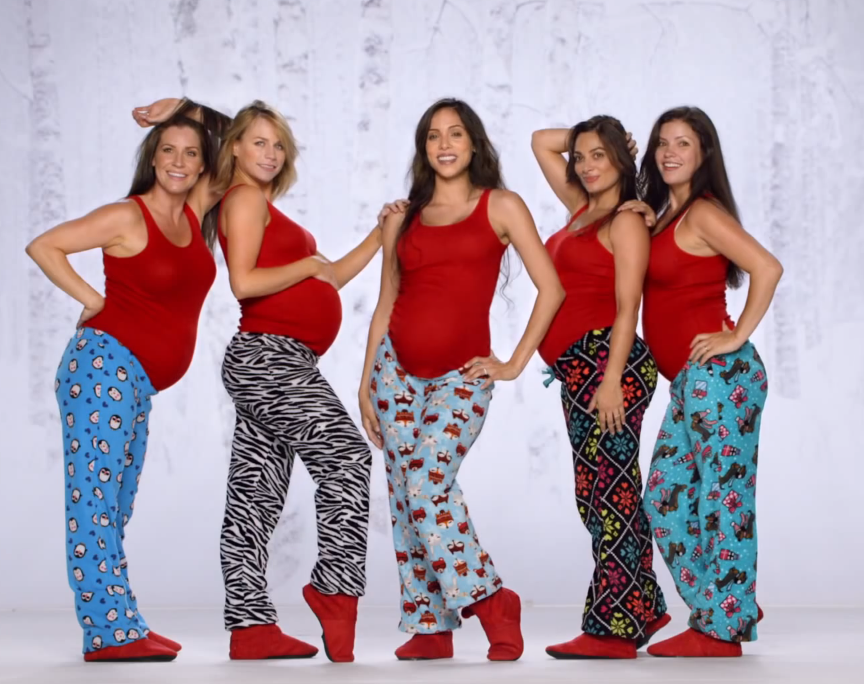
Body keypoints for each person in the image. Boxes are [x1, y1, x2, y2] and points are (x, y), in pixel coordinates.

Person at [358, 98, 565, 661]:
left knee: (426, 484)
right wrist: (365, 383)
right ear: (423, 148)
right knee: (405, 496)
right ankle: (430, 625)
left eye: (455, 133)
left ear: (474, 143)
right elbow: (386, 302)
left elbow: (551, 288)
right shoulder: (404, 216)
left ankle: (493, 601)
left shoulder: (501, 205)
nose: (444, 144)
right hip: (394, 373)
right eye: (433, 135)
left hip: (462, 374)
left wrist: (515, 362)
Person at [26, 100, 229, 662]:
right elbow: (44, 245)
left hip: (135, 381)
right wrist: (92, 298)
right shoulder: (127, 216)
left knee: (114, 503)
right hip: (102, 368)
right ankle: (108, 632)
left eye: (191, 152)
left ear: (202, 162)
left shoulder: (194, 210)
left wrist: (185, 107)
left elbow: (241, 140)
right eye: (168, 150)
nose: (179, 161)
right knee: (94, 501)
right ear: (152, 157)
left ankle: (123, 621)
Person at [215, 101, 387, 662]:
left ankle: (250, 627)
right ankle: (335, 589)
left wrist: (379, 234)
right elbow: (244, 282)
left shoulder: (267, 209)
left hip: (280, 362)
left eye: (278, 144)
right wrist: (309, 266)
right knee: (347, 458)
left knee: (255, 494)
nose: (270, 153)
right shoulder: (243, 198)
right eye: (258, 142)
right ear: (234, 147)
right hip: (269, 359)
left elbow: (331, 275)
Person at [639, 106, 782, 657]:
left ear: (703, 154)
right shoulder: (665, 217)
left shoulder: (702, 212)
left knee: (722, 497)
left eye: (683, 143)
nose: (670, 152)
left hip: (722, 377)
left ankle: (721, 629)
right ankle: (729, 603)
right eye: (662, 142)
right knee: (665, 498)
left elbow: (767, 267)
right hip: (689, 383)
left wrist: (736, 333)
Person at [531, 116, 669, 659]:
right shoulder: (581, 209)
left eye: (600, 156)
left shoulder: (625, 220)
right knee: (598, 494)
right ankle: (642, 606)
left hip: (608, 365)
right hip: (580, 369)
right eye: (582, 157)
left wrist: (611, 380)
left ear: (621, 161)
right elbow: (541, 142)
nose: (587, 166)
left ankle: (615, 627)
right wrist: (594, 138)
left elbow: (628, 305)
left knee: (610, 493)